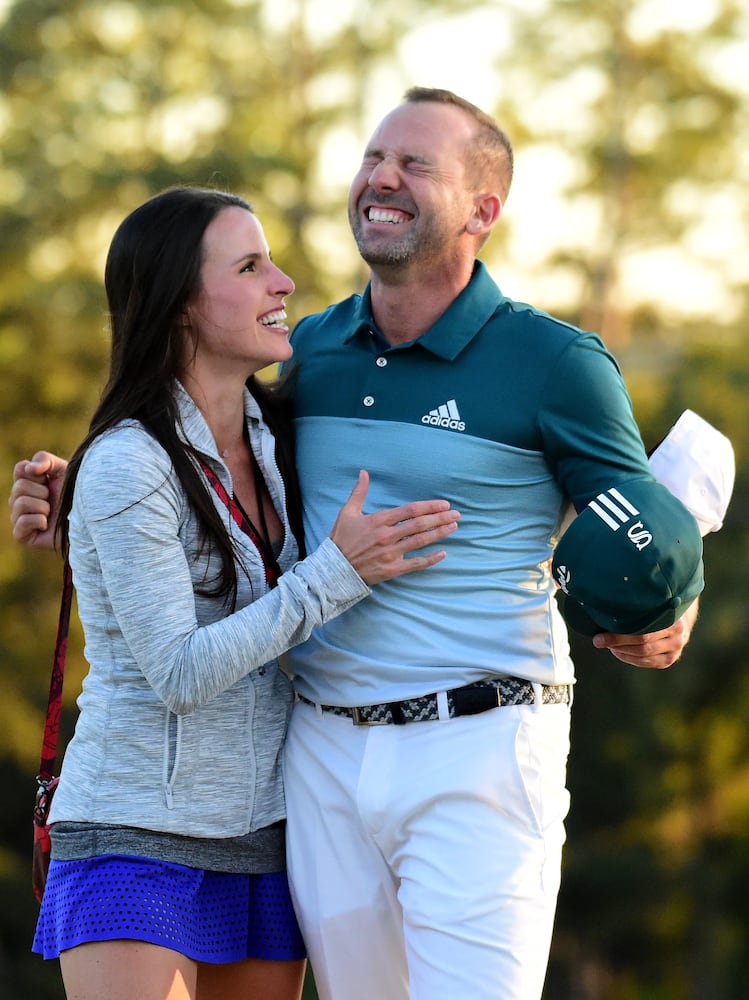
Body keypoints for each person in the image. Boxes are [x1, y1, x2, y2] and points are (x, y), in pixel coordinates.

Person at [9, 92, 701, 1000]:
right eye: (373, 155)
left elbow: (634, 515)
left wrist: (670, 604)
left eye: (415, 164)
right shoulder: (312, 352)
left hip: (482, 745)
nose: (381, 176)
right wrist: (88, 485)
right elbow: (187, 454)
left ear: (482, 211)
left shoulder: (558, 364)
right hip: (315, 765)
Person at [10, 185, 461, 1000]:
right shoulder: (126, 462)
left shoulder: (280, 438)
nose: (283, 283)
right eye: (251, 267)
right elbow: (179, 672)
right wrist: (337, 574)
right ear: (182, 306)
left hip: (268, 835)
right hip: (134, 834)